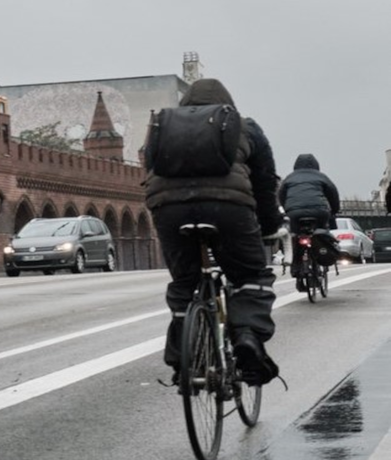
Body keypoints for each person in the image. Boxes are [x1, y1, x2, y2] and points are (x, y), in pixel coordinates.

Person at [145, 78, 285, 386]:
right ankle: (247, 336)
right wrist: (269, 227)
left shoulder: (161, 126)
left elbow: (149, 169)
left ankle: (182, 355)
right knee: (250, 277)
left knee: (184, 282)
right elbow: (264, 183)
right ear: (227, 104)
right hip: (229, 207)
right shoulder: (246, 127)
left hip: (169, 208)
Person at [278, 154, 340, 290]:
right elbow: (333, 194)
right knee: (322, 233)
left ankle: (296, 267)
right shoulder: (321, 177)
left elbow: (281, 196)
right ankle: (321, 252)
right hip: (319, 212)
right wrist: (334, 210)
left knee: (294, 236)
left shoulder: (289, 178)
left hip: (294, 213)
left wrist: (287, 208)